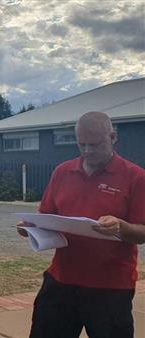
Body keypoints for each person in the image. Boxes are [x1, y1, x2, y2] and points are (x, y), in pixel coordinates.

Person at [18, 111, 145, 338]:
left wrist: (121, 226)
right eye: (82, 144)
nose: (87, 151)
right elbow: (46, 216)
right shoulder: (63, 172)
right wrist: (29, 228)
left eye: (94, 145)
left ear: (113, 137)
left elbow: (143, 232)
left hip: (111, 289)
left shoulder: (135, 177)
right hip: (61, 281)